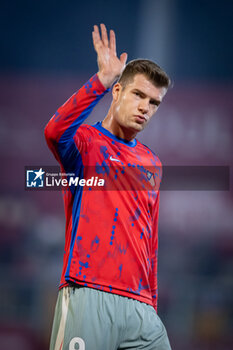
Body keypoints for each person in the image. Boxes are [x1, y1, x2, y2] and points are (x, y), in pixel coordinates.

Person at [45, 23, 172, 350]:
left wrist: (152, 302)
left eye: (154, 102)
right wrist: (101, 80)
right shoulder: (86, 143)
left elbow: (151, 240)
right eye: (138, 95)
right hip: (90, 293)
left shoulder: (152, 164)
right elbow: (54, 131)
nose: (146, 107)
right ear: (117, 92)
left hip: (142, 309)